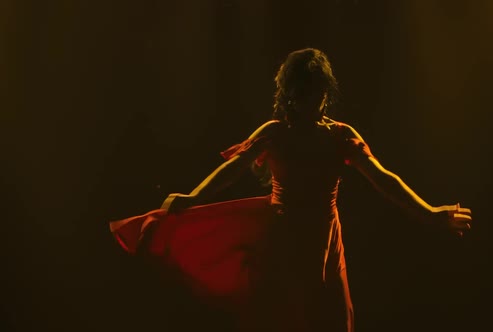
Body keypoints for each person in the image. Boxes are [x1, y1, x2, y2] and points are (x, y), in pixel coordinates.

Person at [109, 48, 472, 332]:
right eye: (304, 94)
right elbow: (230, 170)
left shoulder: (340, 137)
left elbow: (383, 178)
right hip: (283, 245)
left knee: (330, 319)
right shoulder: (276, 133)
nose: (311, 102)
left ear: (324, 94)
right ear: (291, 95)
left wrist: (430, 212)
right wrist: (192, 198)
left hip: (326, 244)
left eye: (316, 93)